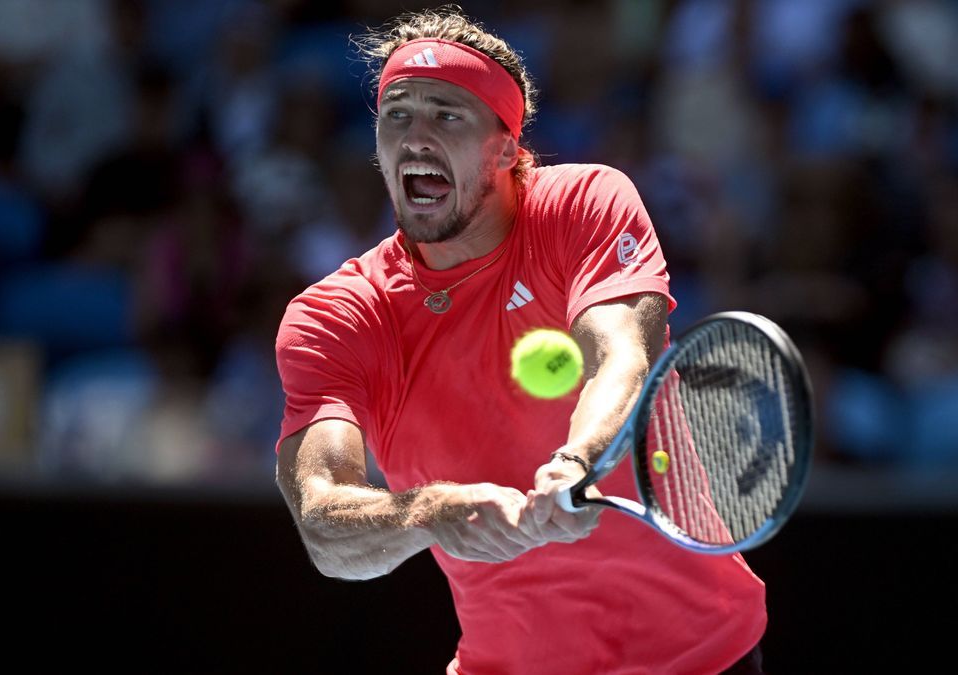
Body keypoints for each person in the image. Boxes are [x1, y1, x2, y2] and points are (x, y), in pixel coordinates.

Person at [275, 9, 766, 674]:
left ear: (507, 147)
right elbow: (322, 520)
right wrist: (431, 510)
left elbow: (621, 355)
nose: (416, 136)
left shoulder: (585, 203)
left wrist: (580, 459)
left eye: (448, 114)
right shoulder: (337, 317)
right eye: (398, 113)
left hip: (704, 655)